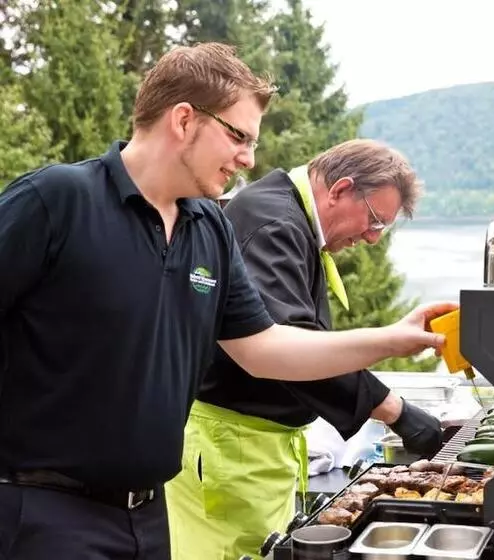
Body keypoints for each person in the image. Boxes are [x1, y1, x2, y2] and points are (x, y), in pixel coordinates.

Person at [0, 42, 454, 560]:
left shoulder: (209, 225)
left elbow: (266, 349)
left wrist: (392, 339)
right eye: (238, 136)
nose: (250, 159)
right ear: (183, 119)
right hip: (42, 512)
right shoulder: (57, 199)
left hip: (148, 516)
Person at [164, 138, 443, 559]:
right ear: (341, 189)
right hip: (227, 449)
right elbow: (289, 346)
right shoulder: (273, 224)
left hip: (250, 451)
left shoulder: (286, 215)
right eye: (374, 221)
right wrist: (393, 409)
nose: (371, 238)